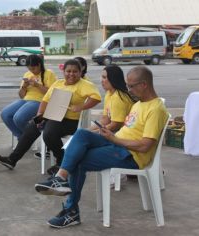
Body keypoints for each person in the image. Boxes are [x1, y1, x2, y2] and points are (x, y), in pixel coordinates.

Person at [35, 66, 169, 229]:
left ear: (144, 84)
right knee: (82, 134)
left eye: (131, 86)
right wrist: (108, 136)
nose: (129, 90)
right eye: (128, 85)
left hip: (130, 155)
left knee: (79, 159)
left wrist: (114, 139)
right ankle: (61, 178)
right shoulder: (139, 104)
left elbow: (145, 145)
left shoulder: (155, 109)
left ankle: (71, 211)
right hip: (117, 143)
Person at [0, 59, 101, 175]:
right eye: (68, 71)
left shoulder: (85, 84)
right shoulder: (58, 83)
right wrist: (39, 114)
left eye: (75, 71)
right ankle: (12, 159)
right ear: (63, 72)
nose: (71, 74)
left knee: (49, 133)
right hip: (52, 114)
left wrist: (81, 106)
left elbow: (96, 98)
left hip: (71, 120)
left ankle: (62, 162)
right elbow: (45, 100)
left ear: (80, 72)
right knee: (32, 125)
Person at [0, 54, 57, 138]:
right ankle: (22, 137)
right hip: (25, 100)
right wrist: (24, 86)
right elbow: (21, 96)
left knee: (19, 118)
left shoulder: (49, 74)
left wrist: (37, 85)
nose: (32, 71)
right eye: (29, 69)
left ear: (39, 65)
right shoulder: (27, 74)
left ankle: (29, 137)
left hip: (40, 101)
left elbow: (52, 94)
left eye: (33, 68)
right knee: (5, 114)